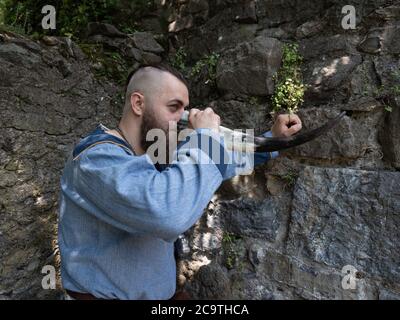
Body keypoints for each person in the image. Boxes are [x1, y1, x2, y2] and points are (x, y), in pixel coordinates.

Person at [58, 63, 302, 300]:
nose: (184, 118)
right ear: (138, 103)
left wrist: (274, 139)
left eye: (186, 109)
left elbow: (221, 160)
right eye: (174, 107)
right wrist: (206, 138)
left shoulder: (155, 151)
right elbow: (166, 214)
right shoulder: (95, 159)